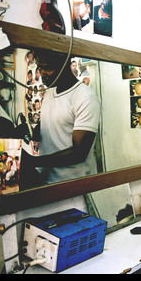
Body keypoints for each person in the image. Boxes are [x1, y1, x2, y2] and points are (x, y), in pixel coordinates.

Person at [21, 50, 101, 186]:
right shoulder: (50, 92)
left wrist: (34, 161)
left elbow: (79, 153)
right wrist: (27, 132)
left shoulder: (84, 97)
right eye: (40, 68)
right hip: (46, 178)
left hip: (73, 183)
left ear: (65, 66)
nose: (42, 74)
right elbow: (46, 129)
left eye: (48, 68)